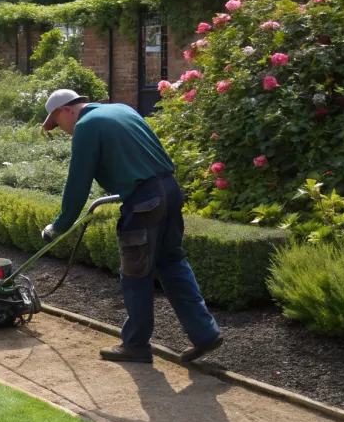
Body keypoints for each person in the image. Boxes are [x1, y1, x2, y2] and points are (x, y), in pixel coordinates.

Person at [40, 89, 223, 363]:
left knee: (136, 272)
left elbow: (77, 184)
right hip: (170, 191)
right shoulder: (122, 109)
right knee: (172, 262)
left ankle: (136, 344)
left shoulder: (86, 127)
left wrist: (58, 226)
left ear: (66, 110)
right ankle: (205, 333)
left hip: (144, 202)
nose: (62, 130)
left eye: (57, 122)